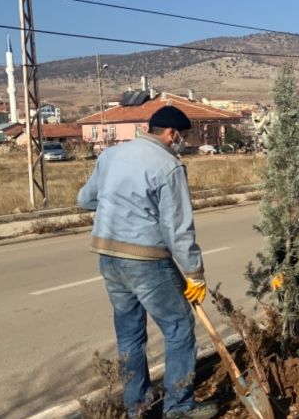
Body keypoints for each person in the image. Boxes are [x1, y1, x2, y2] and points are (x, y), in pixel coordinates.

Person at [77, 106, 217, 419]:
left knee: (129, 335)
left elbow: (85, 200)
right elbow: (177, 227)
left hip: (108, 256)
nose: (179, 142)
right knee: (179, 326)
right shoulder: (168, 165)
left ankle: (136, 408)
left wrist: (120, 201)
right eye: (180, 136)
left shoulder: (112, 155)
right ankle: (179, 407)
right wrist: (194, 273)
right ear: (172, 133)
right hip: (146, 260)